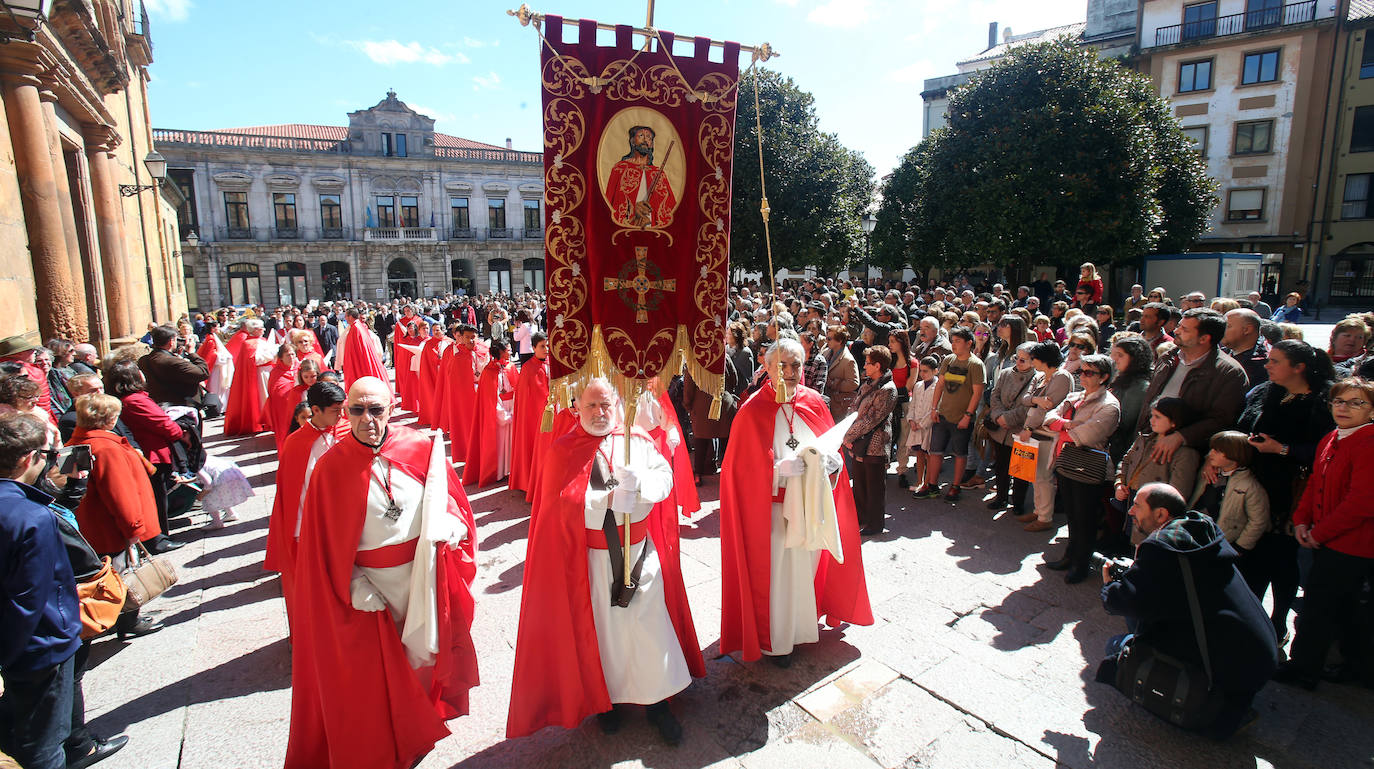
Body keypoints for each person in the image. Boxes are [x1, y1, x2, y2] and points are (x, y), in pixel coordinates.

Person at [285, 377, 479, 769]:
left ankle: (421, 725)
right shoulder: (330, 469)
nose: (367, 419)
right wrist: (355, 583)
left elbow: (452, 501)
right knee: (379, 676)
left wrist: (453, 525)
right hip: (372, 587)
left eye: (376, 409)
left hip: (422, 577)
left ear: (391, 409)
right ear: (346, 412)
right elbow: (322, 547)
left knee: (423, 660)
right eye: (357, 410)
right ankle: (395, 738)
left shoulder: (419, 447)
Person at [507, 378, 704, 743]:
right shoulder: (564, 450)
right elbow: (558, 504)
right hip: (594, 560)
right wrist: (603, 501)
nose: (600, 413)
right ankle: (607, 702)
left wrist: (641, 485)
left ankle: (657, 703)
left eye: (605, 405)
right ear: (577, 407)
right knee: (604, 635)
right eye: (591, 406)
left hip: (640, 553)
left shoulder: (636, 439)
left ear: (617, 404)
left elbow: (664, 476)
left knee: (649, 628)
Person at [718, 338, 873, 667]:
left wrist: (832, 465)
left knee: (805, 571)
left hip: (809, 505)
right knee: (778, 577)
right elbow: (738, 473)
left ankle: (801, 631)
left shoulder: (814, 402)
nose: (789, 372)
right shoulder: (751, 411)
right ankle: (776, 642)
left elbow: (830, 448)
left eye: (795, 365)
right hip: (772, 513)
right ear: (767, 367)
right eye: (782, 366)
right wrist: (776, 472)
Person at [1096, 484, 1278, 741]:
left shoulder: (1162, 548)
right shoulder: (1199, 532)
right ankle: (1233, 703)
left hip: (1227, 671)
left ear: (1161, 514)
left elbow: (1122, 602)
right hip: (1256, 658)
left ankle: (1219, 710)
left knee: (1116, 646)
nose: (1131, 511)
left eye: (1137, 505)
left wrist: (1109, 586)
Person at [1273, 377, 1374, 690]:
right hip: (1326, 537)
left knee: (1319, 606)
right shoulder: (1331, 437)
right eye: (1339, 401)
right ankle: (1354, 667)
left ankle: (1304, 669)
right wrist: (1302, 520)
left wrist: (1321, 533)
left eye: (1357, 403)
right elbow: (1315, 482)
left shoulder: (1369, 443)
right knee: (1341, 607)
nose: (1344, 408)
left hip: (1352, 544)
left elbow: (1362, 502)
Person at [1232, 340, 1336, 640]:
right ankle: (1251, 622)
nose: (1267, 365)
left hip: (1292, 493)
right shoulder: (1270, 392)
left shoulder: (1323, 402)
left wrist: (1282, 449)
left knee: (1283, 563)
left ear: (1299, 367)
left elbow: (1325, 450)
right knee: (1253, 558)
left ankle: (1277, 624)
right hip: (1259, 484)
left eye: (1275, 361)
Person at [0, 412, 83, 769]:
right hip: (39, 644)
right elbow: (29, 598)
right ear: (28, 459)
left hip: (20, 642)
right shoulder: (32, 517)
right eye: (47, 455)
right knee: (45, 744)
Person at [65, 394, 165, 639]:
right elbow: (120, 493)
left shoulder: (73, 444)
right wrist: (133, 529)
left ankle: (111, 617)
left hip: (87, 525)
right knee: (123, 574)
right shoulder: (107, 448)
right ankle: (128, 621)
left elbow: (69, 490)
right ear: (109, 418)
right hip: (110, 527)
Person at [263, 382, 346, 634]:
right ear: (316, 410)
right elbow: (293, 495)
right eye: (335, 411)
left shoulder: (346, 430)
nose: (341, 415)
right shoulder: (296, 443)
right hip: (314, 528)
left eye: (343, 409)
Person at [1041, 354, 1121, 583]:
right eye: (1081, 371)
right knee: (1072, 515)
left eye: (1089, 373)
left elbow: (1084, 436)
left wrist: (1062, 428)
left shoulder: (1109, 405)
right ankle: (1070, 556)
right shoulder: (1075, 396)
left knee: (1085, 518)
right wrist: (1068, 424)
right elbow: (1048, 419)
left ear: (1104, 377)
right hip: (1066, 461)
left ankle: (1081, 564)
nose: (1082, 376)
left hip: (1088, 466)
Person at [1133, 309, 1248, 465]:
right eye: (1179, 326)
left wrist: (1182, 436)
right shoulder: (1168, 358)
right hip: (1147, 444)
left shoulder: (1229, 373)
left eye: (1185, 329)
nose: (1176, 331)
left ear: (1204, 338)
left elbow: (1222, 419)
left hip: (1184, 456)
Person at [1115, 398, 1200, 543]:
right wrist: (1119, 483)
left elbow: (1177, 493)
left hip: (1153, 511)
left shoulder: (1185, 454)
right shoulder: (1144, 440)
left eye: (1158, 417)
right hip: (1133, 499)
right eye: (1152, 415)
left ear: (1174, 422)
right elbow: (1126, 462)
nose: (1152, 420)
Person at [915, 327, 985, 501]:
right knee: (935, 451)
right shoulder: (948, 360)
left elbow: (977, 393)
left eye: (958, 341)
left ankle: (955, 487)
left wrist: (968, 415)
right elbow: (940, 385)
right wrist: (934, 409)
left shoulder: (976, 365)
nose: (954, 344)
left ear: (969, 343)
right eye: (953, 341)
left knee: (960, 453)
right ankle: (932, 485)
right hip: (942, 414)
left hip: (962, 417)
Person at [1189, 431, 1269, 559]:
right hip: (1194, 533)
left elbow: (1258, 521)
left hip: (1222, 543)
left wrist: (1241, 546)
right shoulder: (1208, 473)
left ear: (1234, 455)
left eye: (1217, 451)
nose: (1211, 454)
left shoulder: (1250, 487)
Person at [845, 346, 897, 535]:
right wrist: (847, 428)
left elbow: (871, 419)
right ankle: (860, 516)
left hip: (875, 444)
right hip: (859, 441)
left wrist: (848, 436)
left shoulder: (888, 390)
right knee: (859, 484)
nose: (864, 366)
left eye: (868, 363)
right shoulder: (867, 383)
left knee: (874, 486)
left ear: (878, 365)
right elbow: (854, 407)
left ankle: (875, 524)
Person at [985, 342, 1036, 512]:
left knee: (1021, 470)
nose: (1018, 363)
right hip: (1001, 430)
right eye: (1016, 358)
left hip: (1020, 431)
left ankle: (1018, 503)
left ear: (1033, 361)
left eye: (1023, 360)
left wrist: (1008, 418)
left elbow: (1029, 407)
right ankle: (1001, 497)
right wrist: (998, 416)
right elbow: (995, 395)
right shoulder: (1006, 373)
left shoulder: (1038, 378)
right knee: (1001, 466)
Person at [462, 340, 517, 488]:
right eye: (508, 350)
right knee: (499, 441)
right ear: (500, 352)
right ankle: (498, 472)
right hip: (499, 410)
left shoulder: (511, 367)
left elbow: (518, 388)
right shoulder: (489, 371)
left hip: (512, 406)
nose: (511, 352)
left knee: (510, 441)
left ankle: (510, 469)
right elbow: (490, 397)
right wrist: (503, 415)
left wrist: (514, 409)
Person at [607, 125, 677, 227]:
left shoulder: (658, 173)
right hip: (628, 227)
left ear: (651, 144)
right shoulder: (620, 168)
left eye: (649, 137)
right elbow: (610, 202)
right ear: (632, 141)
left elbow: (669, 207)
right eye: (641, 135)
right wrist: (634, 211)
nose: (645, 139)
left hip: (653, 228)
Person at [508, 332, 550, 500]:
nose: (546, 349)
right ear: (533, 348)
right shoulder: (527, 368)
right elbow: (527, 399)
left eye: (547, 346)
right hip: (534, 417)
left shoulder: (551, 364)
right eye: (542, 346)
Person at [223, 319, 276, 435]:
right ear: (255, 330)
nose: (264, 330)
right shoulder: (248, 344)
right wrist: (273, 354)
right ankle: (263, 421)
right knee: (263, 397)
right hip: (259, 374)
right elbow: (255, 360)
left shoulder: (263, 340)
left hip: (268, 371)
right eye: (261, 328)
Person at [137, 325, 209, 407]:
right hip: (181, 406)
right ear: (171, 341)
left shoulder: (143, 360)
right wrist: (192, 353)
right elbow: (203, 373)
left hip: (157, 404)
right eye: (176, 339)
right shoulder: (173, 362)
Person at [444, 324, 480, 462]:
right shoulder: (457, 357)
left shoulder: (482, 352)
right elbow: (455, 383)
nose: (471, 340)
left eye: (473, 337)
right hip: (466, 400)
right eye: (467, 337)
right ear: (462, 338)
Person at [338, 307, 388, 389]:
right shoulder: (356, 326)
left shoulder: (356, 328)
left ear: (350, 317)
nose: (345, 318)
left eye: (346, 316)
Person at [1221, 309, 1269, 387]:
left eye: (1227, 326)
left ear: (1247, 329)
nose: (1221, 330)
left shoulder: (1263, 364)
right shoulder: (1221, 353)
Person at [823, 326, 860, 421]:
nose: (826, 341)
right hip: (826, 400)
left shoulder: (848, 360)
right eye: (826, 338)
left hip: (838, 405)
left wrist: (833, 383)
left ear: (839, 341)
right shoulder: (826, 352)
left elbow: (854, 383)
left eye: (829, 339)